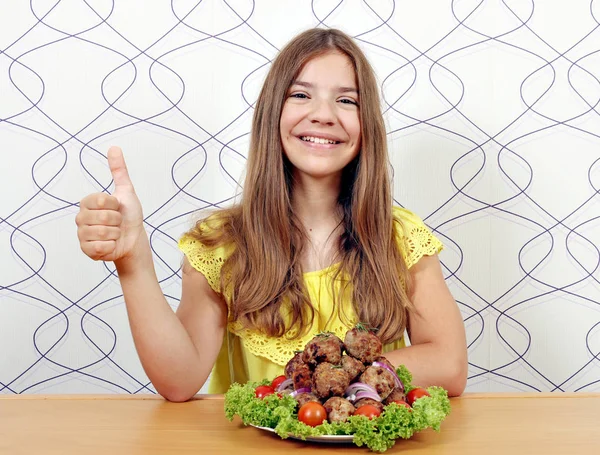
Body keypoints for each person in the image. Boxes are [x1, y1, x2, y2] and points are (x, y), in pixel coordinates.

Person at [75, 28, 468, 402]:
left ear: (368, 126)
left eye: (347, 100)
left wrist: (325, 376)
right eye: (301, 95)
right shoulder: (220, 244)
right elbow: (179, 381)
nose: (323, 114)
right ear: (272, 113)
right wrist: (133, 262)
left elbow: (449, 365)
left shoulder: (399, 236)